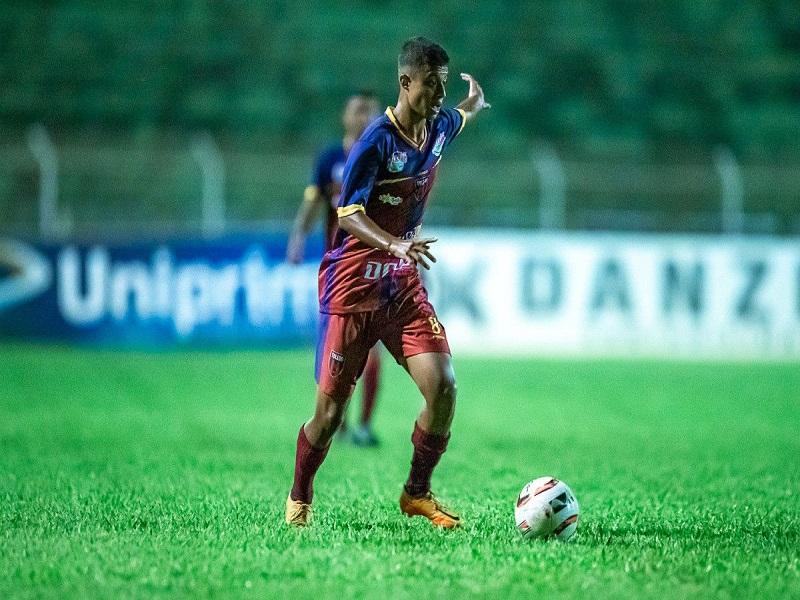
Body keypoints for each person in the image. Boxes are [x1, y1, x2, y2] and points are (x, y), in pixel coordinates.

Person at [285, 36, 490, 528]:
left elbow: (459, 117)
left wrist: (474, 101)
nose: (439, 96)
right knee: (330, 416)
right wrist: (396, 244)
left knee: (443, 387)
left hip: (400, 287)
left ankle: (416, 492)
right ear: (405, 82)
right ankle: (299, 496)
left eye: (443, 86)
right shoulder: (375, 143)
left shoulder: (438, 126)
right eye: (431, 86)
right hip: (353, 286)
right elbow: (348, 212)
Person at [286, 91, 383, 447]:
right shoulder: (331, 158)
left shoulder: (385, 154)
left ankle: (364, 425)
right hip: (338, 268)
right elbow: (313, 201)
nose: (365, 116)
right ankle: (335, 422)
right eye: (359, 109)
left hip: (376, 266)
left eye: (371, 110)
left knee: (372, 347)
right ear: (346, 116)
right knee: (337, 349)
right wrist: (298, 235)